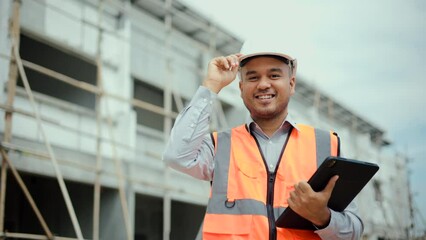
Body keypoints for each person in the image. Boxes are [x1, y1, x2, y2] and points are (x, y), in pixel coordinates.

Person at [162, 41, 363, 239]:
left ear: (291, 84)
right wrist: (210, 86)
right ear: (241, 88)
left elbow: (353, 231)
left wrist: (323, 217)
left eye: (274, 75)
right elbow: (177, 156)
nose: (263, 84)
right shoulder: (220, 146)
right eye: (253, 77)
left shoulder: (325, 145)